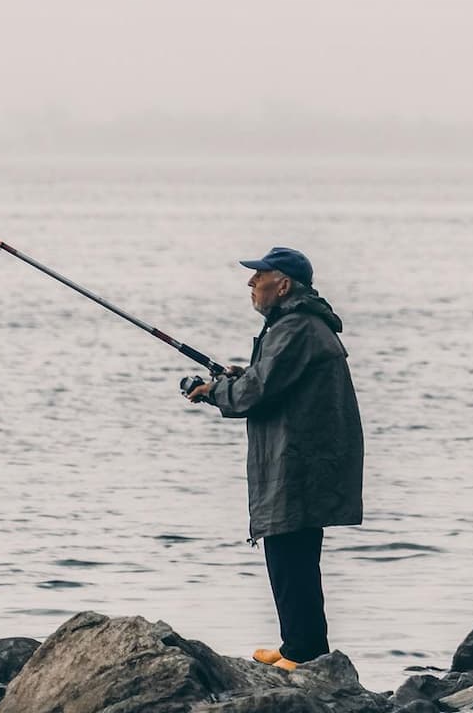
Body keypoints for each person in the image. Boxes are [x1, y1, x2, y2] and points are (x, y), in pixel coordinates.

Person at [185, 246, 364, 671]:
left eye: (259, 276)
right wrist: (236, 378)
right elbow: (270, 382)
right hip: (302, 458)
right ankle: (299, 646)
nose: (251, 283)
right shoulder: (295, 325)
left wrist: (214, 392)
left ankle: (303, 653)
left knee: (291, 555)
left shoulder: (297, 326)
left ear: (282, 284)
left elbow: (256, 393)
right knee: (290, 552)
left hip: (301, 461)